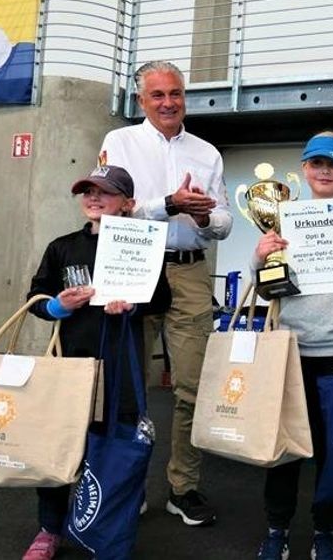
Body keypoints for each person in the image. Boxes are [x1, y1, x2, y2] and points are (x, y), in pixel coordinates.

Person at [99, 60, 233, 527]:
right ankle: (128, 485)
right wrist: (169, 204)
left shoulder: (207, 152)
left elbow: (224, 223)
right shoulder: (120, 143)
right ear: (142, 101)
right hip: (135, 263)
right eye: (157, 95)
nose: (168, 102)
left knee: (192, 388)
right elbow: (112, 210)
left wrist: (199, 217)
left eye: (175, 93)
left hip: (191, 273)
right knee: (129, 387)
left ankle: (183, 487)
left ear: (184, 96)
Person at [22, 165, 170, 560]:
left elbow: (162, 299)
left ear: (128, 203)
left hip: (120, 366)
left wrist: (134, 303)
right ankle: (49, 528)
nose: (93, 197)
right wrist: (57, 305)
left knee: (115, 447)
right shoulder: (62, 246)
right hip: (69, 365)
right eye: (87, 191)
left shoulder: (145, 242)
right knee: (59, 448)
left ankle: (107, 526)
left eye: (105, 191)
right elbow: (35, 300)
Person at [254, 131, 333, 560]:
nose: (324, 171)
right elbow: (266, 289)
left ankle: (326, 531)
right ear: (305, 169)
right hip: (290, 348)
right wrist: (260, 256)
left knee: (332, 450)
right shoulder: (282, 216)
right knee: (285, 447)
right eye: (316, 164)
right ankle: (277, 528)